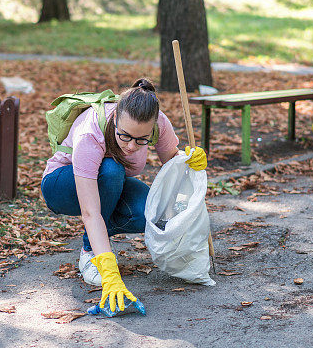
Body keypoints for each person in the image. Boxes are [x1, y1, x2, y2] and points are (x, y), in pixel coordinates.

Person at [41, 78, 207, 314]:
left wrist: (189, 162)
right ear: (116, 119)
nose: (131, 146)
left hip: (109, 185)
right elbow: (90, 211)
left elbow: (172, 163)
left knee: (148, 215)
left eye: (142, 140)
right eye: (125, 136)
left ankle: (99, 244)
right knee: (112, 169)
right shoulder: (92, 133)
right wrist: (109, 271)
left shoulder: (159, 122)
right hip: (61, 186)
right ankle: (91, 255)